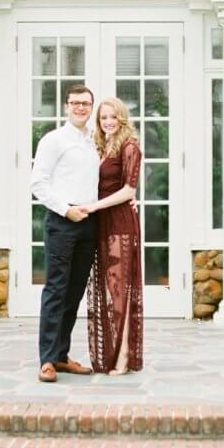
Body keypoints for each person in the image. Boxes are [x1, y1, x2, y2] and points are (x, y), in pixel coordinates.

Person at [30, 84, 100, 384]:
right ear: (66, 106)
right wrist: (65, 209)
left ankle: (61, 355)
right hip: (62, 221)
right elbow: (38, 183)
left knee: (74, 292)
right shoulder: (54, 140)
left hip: (89, 221)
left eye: (86, 103)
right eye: (75, 103)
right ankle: (46, 360)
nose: (81, 108)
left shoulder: (93, 142)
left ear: (91, 106)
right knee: (56, 290)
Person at [81, 97, 144, 375]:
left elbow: (130, 190)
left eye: (112, 117)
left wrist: (94, 206)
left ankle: (124, 357)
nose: (107, 122)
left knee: (121, 292)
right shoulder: (101, 146)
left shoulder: (130, 146)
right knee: (109, 289)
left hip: (119, 222)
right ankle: (113, 353)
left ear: (122, 118)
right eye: (103, 117)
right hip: (102, 222)